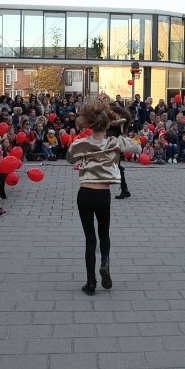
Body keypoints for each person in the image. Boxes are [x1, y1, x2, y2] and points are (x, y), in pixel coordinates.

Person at [66, 96, 141, 295]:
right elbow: (137, 148)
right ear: (108, 124)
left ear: (90, 123)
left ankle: (91, 283)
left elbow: (68, 158)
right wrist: (121, 131)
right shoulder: (115, 143)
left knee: (89, 239)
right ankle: (105, 262)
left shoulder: (80, 143)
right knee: (104, 233)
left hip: (84, 193)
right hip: (103, 194)